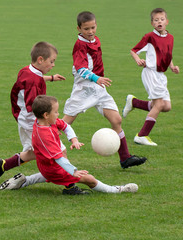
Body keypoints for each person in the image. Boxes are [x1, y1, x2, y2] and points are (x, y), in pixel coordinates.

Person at [0, 95, 138, 195]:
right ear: (46, 115)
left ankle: (23, 181)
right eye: (56, 112)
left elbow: (65, 126)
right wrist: (73, 171)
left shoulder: (43, 122)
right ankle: (117, 190)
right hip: (53, 168)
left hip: (47, 166)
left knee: (50, 170)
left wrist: (74, 139)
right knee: (89, 179)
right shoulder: (44, 135)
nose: (58, 114)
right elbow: (59, 159)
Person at [62, 11, 146, 168]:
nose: (90, 31)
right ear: (78, 29)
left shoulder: (95, 39)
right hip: (84, 89)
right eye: (86, 29)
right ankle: (42, 145)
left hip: (99, 88)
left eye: (93, 27)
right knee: (64, 123)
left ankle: (125, 158)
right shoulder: (80, 45)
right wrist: (96, 78)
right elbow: (80, 68)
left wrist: (98, 80)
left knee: (117, 120)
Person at [0, 41, 66, 184]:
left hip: (23, 117)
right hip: (31, 119)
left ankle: (4, 165)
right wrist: (49, 126)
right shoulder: (33, 82)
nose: (53, 65)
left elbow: (33, 79)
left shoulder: (27, 70)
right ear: (40, 60)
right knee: (59, 150)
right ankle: (69, 185)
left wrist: (50, 78)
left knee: (36, 152)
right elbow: (34, 107)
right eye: (52, 61)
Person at [122, 8, 180, 146]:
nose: (159, 22)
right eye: (156, 20)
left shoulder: (170, 37)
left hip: (161, 75)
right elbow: (133, 50)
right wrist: (138, 59)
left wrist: (172, 66)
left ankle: (134, 102)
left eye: (161, 19)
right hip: (151, 73)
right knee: (159, 104)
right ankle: (142, 135)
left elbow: (167, 54)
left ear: (167, 21)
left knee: (166, 106)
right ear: (152, 23)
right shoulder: (149, 37)